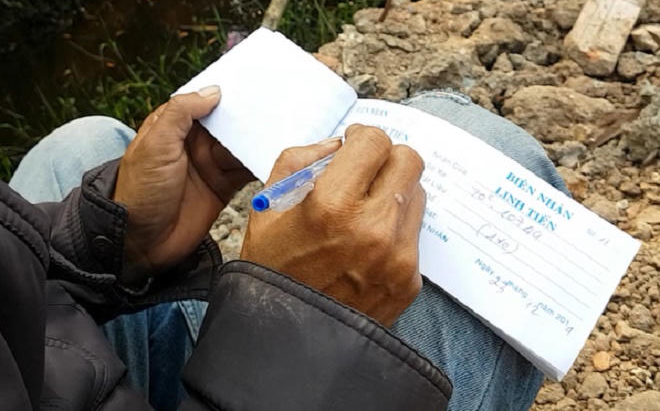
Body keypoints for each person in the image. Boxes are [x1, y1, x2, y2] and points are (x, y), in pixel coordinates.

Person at [1, 86, 569, 411]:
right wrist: (293, 326)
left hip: (57, 372)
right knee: (490, 149)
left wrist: (107, 247)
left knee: (79, 145)